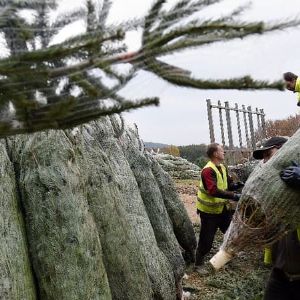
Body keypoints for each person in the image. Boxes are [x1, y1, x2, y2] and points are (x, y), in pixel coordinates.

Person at [252, 136, 300, 300]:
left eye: (267, 155)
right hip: (280, 273)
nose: (265, 162)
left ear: (284, 150)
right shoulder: (273, 187)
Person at [195, 143, 242, 275]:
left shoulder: (222, 167)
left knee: (231, 233)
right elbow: (213, 190)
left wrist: (236, 185)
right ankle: (198, 264)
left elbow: (227, 184)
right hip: (209, 212)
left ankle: (226, 257)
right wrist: (234, 196)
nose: (224, 152)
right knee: (206, 239)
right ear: (215, 154)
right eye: (222, 151)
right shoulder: (207, 171)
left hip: (223, 209)